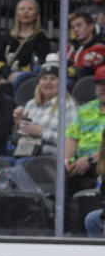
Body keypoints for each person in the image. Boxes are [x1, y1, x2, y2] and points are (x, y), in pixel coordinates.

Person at [11, 59, 78, 163]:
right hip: (25, 152)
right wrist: (18, 124)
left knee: (20, 164)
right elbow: (20, 135)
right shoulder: (31, 104)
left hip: (50, 157)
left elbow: (70, 140)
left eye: (53, 78)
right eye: (44, 78)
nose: (48, 82)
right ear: (39, 82)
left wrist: (41, 133)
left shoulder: (68, 106)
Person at [0, 0, 51, 92]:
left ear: (36, 15)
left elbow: (41, 62)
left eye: (30, 9)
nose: (26, 12)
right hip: (6, 75)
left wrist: (16, 75)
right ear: (17, 14)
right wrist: (7, 75)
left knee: (19, 78)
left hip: (28, 77)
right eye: (22, 9)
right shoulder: (7, 37)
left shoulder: (41, 37)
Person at [65, 65, 105, 196]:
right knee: (59, 173)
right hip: (80, 163)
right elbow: (72, 137)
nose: (103, 88)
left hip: (100, 163)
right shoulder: (86, 108)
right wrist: (67, 161)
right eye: (100, 84)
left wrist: (89, 160)